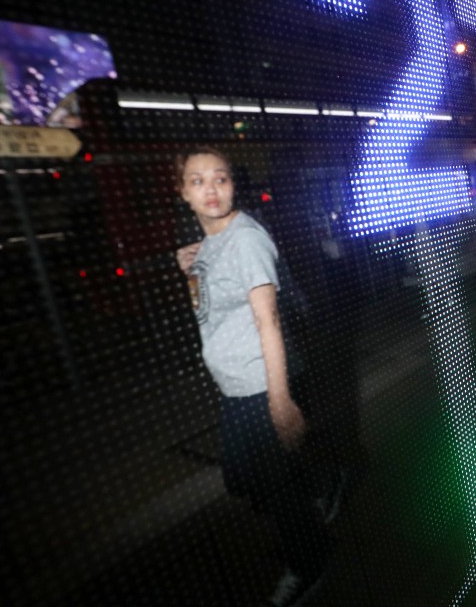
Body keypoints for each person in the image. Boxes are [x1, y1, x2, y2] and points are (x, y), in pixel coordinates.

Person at [174, 146, 326, 607]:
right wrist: (188, 269)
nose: (211, 189)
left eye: (220, 178)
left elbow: (268, 320)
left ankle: (308, 566)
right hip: (235, 387)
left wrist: (279, 400)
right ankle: (320, 486)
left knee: (274, 489)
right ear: (183, 193)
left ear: (232, 185)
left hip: (260, 384)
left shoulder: (245, 240)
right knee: (241, 478)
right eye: (198, 181)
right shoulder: (207, 246)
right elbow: (209, 308)